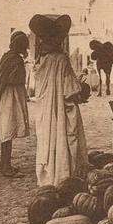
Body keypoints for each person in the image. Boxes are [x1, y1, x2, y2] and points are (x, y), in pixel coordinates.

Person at [30, 14, 88, 186]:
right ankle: (63, 176)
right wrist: (81, 89)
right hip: (61, 110)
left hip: (44, 110)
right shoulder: (61, 60)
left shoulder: (40, 61)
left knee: (47, 140)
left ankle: (48, 177)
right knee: (64, 138)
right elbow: (70, 91)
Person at [0, 31, 30, 177]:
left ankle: (4, 164)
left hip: (6, 95)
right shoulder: (15, 59)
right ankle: (5, 166)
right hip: (9, 97)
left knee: (8, 130)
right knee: (8, 130)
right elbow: (16, 79)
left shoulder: (7, 56)